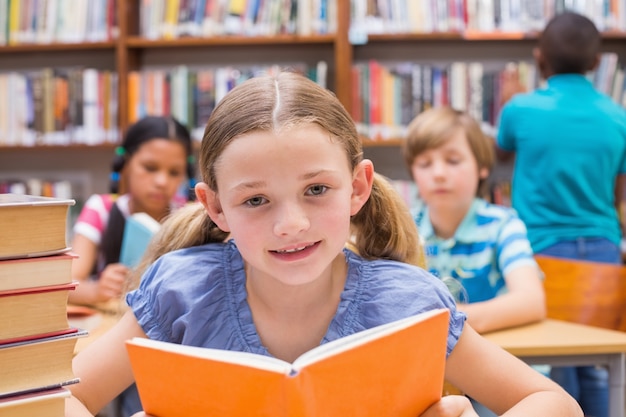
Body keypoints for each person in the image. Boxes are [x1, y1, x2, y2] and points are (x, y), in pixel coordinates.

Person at [65, 71, 581, 417]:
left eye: (316, 190)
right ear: (215, 206)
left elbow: (552, 401)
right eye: (255, 200)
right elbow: (54, 402)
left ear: (357, 187)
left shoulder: (409, 303)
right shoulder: (180, 291)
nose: (291, 224)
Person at [496, 12, 626, 417]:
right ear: (595, 63)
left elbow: (499, 154)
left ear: (539, 60)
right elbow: (618, 193)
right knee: (600, 367)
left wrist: (505, 102)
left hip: (542, 253)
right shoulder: (618, 117)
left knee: (556, 367)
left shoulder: (520, 109)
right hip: (605, 251)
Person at [68, 116, 196, 417]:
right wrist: (97, 289)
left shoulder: (188, 218)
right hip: (109, 335)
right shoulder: (101, 209)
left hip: (160, 342)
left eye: (174, 172)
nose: (162, 181)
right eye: (150, 168)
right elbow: (68, 283)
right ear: (125, 164)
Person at [403, 106, 545, 335]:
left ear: (482, 168)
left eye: (453, 160)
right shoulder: (402, 228)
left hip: (499, 357)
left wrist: (451, 319)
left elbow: (532, 302)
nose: (438, 173)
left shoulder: (503, 224)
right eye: (424, 164)